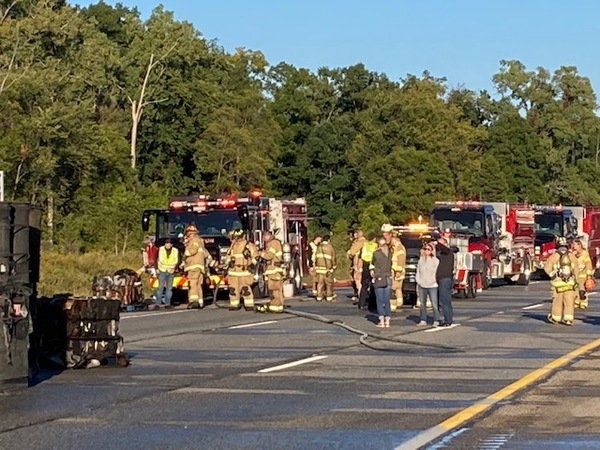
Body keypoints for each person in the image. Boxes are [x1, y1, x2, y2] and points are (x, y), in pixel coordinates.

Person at [544, 237, 579, 325]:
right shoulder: (571, 256)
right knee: (569, 301)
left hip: (558, 284)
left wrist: (552, 275)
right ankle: (568, 319)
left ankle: (556, 318)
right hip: (569, 283)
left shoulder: (553, 256)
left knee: (557, 301)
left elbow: (547, 268)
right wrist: (577, 281)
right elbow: (576, 270)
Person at [224, 229, 258, 311]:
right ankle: (234, 304)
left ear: (243, 236)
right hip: (233, 271)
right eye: (236, 237)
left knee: (245, 289)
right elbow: (227, 257)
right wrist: (228, 263)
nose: (238, 239)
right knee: (233, 289)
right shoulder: (232, 245)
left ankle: (249, 305)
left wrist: (252, 265)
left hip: (244, 271)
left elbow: (256, 256)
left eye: (239, 237)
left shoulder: (249, 245)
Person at [255, 230, 285, 313]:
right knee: (276, 289)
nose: (264, 239)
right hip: (274, 270)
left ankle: (276, 306)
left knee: (274, 289)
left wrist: (260, 253)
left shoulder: (273, 243)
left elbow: (269, 256)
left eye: (264, 237)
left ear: (268, 236)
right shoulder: (273, 243)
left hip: (274, 270)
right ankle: (277, 306)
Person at [415, 243, 441, 326]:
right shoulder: (420, 260)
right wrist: (418, 280)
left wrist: (433, 281)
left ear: (432, 251)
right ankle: (423, 319)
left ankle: (436, 319)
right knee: (422, 304)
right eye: (425, 249)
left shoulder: (435, 261)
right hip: (422, 285)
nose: (426, 251)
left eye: (428, 249)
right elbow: (418, 272)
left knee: (434, 303)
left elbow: (436, 273)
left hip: (432, 285)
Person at [370, 236, 392, 328]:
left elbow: (373, 263)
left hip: (379, 278)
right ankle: (388, 320)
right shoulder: (390, 253)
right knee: (387, 300)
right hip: (388, 278)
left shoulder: (376, 253)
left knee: (379, 300)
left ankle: (381, 321)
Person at [183, 224, 207, 309]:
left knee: (192, 284)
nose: (187, 236)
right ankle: (200, 302)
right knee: (198, 285)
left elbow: (192, 251)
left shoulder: (194, 240)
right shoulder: (200, 240)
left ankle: (194, 301)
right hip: (199, 267)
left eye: (188, 234)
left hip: (193, 266)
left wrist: (185, 254)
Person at [434, 234, 455, 327]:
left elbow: (444, 248)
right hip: (441, 279)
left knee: (445, 300)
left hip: (445, 279)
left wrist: (437, 242)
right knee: (443, 300)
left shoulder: (449, 252)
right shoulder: (442, 255)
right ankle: (447, 318)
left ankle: (448, 320)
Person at [154, 238, 179, 309]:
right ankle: (157, 304)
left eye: (169, 243)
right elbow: (155, 258)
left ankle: (167, 304)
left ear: (172, 245)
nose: (167, 245)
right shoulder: (160, 249)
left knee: (169, 288)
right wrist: (156, 269)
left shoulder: (175, 250)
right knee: (160, 288)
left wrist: (174, 268)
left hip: (171, 271)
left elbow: (178, 260)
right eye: (166, 243)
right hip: (162, 270)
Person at [571, 239, 594, 309]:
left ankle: (583, 302)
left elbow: (588, 264)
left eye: (574, 245)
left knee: (582, 290)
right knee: (574, 289)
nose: (573, 246)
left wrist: (589, 275)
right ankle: (576, 302)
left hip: (582, 275)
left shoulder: (585, 254)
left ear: (579, 245)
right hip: (574, 275)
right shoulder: (572, 253)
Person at [358, 232, 378, 310]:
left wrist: (359, 268)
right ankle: (372, 305)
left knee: (364, 285)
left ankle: (361, 304)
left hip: (365, 266)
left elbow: (360, 258)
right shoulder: (375, 246)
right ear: (373, 239)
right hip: (373, 266)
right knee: (373, 285)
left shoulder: (364, 245)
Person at [314, 235, 337, 302]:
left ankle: (319, 296)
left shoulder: (319, 247)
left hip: (319, 269)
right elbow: (333, 258)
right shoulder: (330, 248)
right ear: (328, 240)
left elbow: (315, 258)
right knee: (329, 283)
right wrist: (333, 266)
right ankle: (329, 296)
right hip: (327, 269)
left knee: (320, 283)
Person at [347, 229, 365, 304]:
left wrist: (349, 254)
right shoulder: (366, 242)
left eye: (355, 234)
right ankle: (360, 294)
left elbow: (352, 252)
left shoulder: (359, 242)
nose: (354, 235)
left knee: (357, 279)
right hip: (365, 264)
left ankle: (360, 294)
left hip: (358, 264)